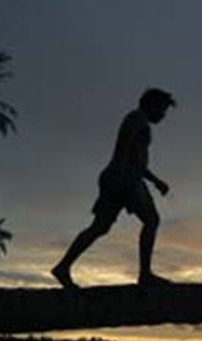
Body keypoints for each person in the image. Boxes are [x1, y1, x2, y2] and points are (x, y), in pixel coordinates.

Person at [52, 87, 176, 288]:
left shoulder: (139, 121)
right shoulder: (137, 119)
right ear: (152, 104)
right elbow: (124, 150)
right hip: (125, 178)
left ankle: (63, 267)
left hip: (118, 177)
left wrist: (155, 181)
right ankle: (145, 275)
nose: (162, 116)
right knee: (152, 220)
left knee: (100, 227)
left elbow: (136, 160)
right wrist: (123, 177)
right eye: (162, 110)